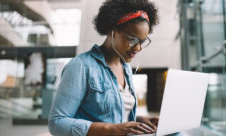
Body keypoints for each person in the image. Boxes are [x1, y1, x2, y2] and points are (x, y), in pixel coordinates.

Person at [48, 0, 168, 135]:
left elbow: (114, 115)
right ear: (112, 31)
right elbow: (57, 123)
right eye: (132, 39)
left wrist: (138, 121)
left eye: (142, 41)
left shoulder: (126, 68)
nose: (138, 48)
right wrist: (110, 129)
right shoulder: (80, 66)